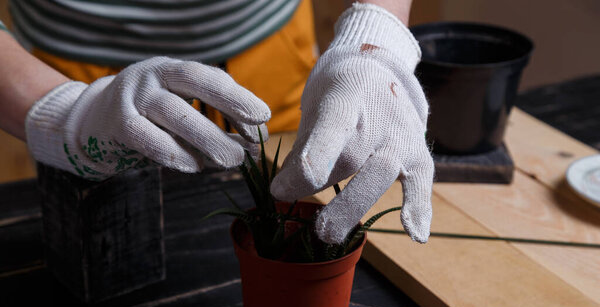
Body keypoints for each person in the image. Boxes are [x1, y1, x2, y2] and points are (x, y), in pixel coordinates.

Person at [0, 0, 433, 244]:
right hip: (69, 74)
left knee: (289, 194)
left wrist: (377, 29)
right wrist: (65, 114)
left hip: (271, 53)